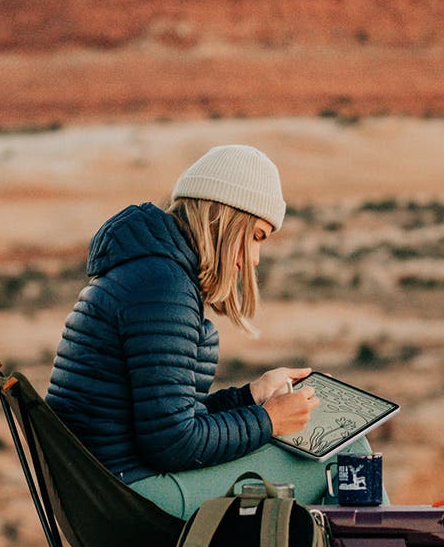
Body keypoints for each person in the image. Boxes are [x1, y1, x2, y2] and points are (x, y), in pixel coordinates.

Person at [46, 143, 380, 519]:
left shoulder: (149, 274)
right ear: (226, 219)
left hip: (107, 493)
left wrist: (252, 397)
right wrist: (269, 421)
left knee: (339, 448)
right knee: (345, 454)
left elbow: (170, 419)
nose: (254, 259)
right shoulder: (162, 288)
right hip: (132, 503)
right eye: (256, 236)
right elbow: (173, 443)